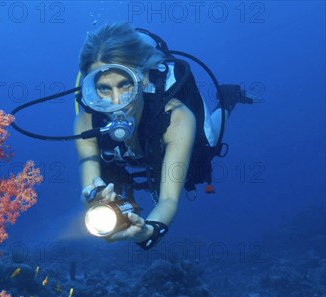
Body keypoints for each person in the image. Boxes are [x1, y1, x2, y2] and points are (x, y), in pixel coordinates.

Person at [74, 22, 252, 249]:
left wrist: (148, 231)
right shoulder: (85, 122)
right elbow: (88, 187)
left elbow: (169, 199)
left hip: (173, 132)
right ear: (91, 88)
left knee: (207, 146)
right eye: (104, 89)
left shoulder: (178, 117)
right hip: (135, 150)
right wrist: (93, 196)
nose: (116, 102)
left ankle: (227, 101)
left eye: (125, 84)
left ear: (144, 78)